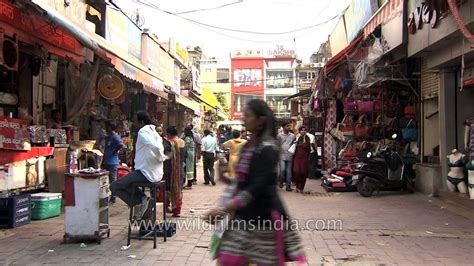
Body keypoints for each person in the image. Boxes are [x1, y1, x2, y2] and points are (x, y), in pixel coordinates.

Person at [207, 99, 305, 265]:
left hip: (264, 218)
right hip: (243, 216)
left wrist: (225, 209)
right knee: (226, 261)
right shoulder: (249, 145)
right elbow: (244, 182)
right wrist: (224, 178)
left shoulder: (269, 147)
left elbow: (258, 186)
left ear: (260, 120)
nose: (243, 119)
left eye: (247, 116)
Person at [110, 111, 167, 220]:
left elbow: (154, 146)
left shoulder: (143, 131)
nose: (134, 124)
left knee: (115, 186)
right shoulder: (154, 131)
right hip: (155, 172)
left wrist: (161, 157)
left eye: (135, 121)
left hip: (146, 173)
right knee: (128, 182)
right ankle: (142, 200)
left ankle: (140, 203)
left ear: (141, 122)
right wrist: (161, 158)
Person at [103, 121, 125, 204]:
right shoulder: (108, 137)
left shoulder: (114, 136)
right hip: (107, 161)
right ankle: (108, 196)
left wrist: (114, 152)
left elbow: (121, 145)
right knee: (106, 180)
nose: (105, 128)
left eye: (107, 126)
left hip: (112, 162)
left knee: (113, 180)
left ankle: (113, 197)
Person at [163, 126, 183, 217]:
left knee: (167, 188)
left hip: (170, 169)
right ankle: (177, 210)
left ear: (169, 134)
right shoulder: (183, 142)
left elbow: (167, 156)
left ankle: (165, 207)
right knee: (178, 189)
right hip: (180, 168)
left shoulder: (169, 143)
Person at [277, 122, 296, 191]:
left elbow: (294, 144)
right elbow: (277, 145)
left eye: (289, 126)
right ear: (283, 127)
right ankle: (281, 181)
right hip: (281, 155)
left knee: (289, 171)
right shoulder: (279, 136)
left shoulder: (293, 136)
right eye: (287, 126)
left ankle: (288, 186)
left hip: (290, 155)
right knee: (282, 170)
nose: (289, 127)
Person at [293, 126, 311, 193]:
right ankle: (297, 186)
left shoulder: (307, 138)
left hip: (304, 158)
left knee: (303, 172)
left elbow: (306, 146)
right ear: (299, 131)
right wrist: (296, 143)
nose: (303, 131)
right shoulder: (297, 137)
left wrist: (299, 144)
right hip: (297, 157)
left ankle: (301, 188)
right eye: (302, 130)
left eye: (304, 130)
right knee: (297, 171)